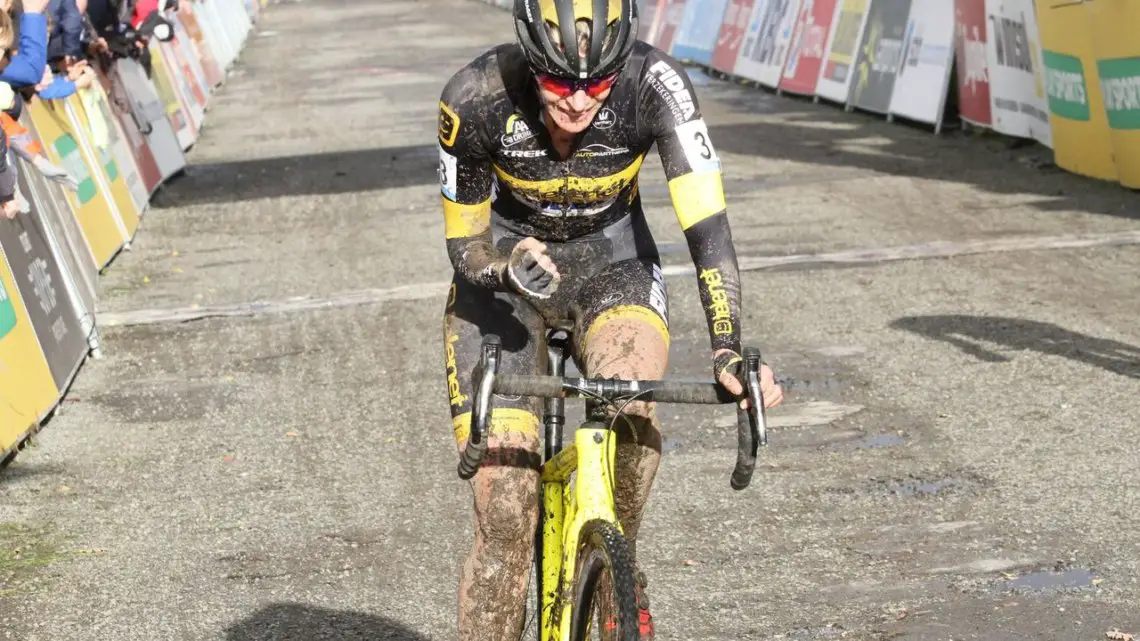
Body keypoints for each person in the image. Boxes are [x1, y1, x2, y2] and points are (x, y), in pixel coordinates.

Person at [437, 0, 785, 639]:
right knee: (508, 511)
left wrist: (728, 349)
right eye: (557, 82)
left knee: (632, 416)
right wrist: (503, 269)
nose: (576, 101)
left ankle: (616, 566)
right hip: (506, 284)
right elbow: (464, 246)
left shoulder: (658, 87)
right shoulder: (474, 97)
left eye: (596, 84)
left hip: (615, 269)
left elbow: (707, 228)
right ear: (531, 59)